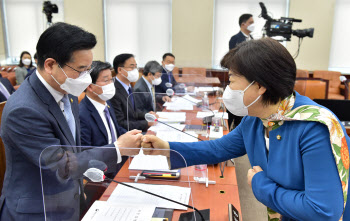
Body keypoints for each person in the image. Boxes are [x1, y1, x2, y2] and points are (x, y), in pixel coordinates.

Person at [142, 38, 350, 221]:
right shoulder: (257, 118)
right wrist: (166, 148)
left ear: (259, 86)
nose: (228, 89)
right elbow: (218, 149)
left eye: (232, 80)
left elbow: (322, 211)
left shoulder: (314, 127)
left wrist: (260, 184)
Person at [0, 22, 142, 221]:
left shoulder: (69, 91)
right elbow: (61, 165)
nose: (86, 77)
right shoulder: (24, 109)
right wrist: (118, 148)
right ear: (50, 65)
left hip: (68, 200)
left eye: (89, 69)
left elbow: (73, 149)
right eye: (81, 69)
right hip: (39, 210)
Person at [110, 53, 156, 132]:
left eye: (136, 67)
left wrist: (147, 115)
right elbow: (120, 123)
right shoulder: (113, 91)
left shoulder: (129, 86)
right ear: (120, 70)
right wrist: (146, 123)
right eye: (132, 67)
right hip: (125, 134)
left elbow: (133, 112)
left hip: (135, 129)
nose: (135, 70)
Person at [228, 13, 255, 130]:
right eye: (251, 23)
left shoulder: (252, 39)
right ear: (243, 24)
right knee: (236, 109)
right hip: (239, 78)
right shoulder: (235, 39)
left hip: (250, 79)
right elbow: (234, 60)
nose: (253, 25)